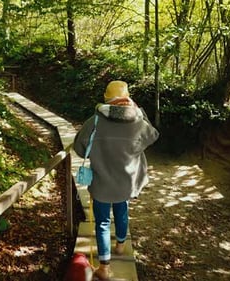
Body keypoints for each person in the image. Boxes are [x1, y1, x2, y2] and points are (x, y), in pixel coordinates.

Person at [73, 80, 159, 279]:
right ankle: (120, 246)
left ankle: (104, 267)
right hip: (126, 183)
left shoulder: (94, 121)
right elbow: (153, 135)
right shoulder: (138, 122)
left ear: (106, 98)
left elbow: (79, 148)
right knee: (122, 211)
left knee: (102, 222)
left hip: (101, 183)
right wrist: (141, 112)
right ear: (128, 99)